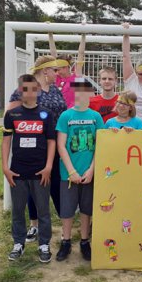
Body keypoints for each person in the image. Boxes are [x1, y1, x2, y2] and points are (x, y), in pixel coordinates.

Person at [7, 55, 67, 243]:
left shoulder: (56, 89)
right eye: (55, 70)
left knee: (55, 182)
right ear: (45, 71)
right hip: (32, 148)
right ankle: (34, 225)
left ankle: (61, 220)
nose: (58, 74)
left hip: (55, 144)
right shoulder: (26, 90)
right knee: (34, 185)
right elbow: (11, 115)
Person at [1, 74, 56, 263]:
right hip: (17, 171)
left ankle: (44, 244)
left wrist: (49, 166)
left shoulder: (46, 114)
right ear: (19, 91)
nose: (30, 93)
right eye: (25, 89)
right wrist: (5, 168)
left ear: (38, 90)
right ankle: (18, 242)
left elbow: (51, 142)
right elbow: (6, 141)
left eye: (34, 89)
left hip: (40, 172)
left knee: (43, 209)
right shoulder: (12, 114)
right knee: (18, 210)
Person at [55, 78, 104, 262]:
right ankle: (65, 241)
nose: (82, 94)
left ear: (92, 93)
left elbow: (100, 146)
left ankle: (84, 241)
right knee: (67, 210)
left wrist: (92, 170)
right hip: (68, 173)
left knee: (86, 209)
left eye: (86, 91)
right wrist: (71, 171)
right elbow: (61, 146)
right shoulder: (66, 116)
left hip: (89, 173)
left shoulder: (96, 117)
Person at [49, 32, 86, 108]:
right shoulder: (57, 78)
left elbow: (81, 53)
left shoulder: (76, 77)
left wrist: (83, 35)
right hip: (59, 113)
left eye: (60, 69)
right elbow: (53, 53)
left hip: (73, 113)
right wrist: (50, 34)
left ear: (66, 67)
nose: (58, 71)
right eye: (57, 69)